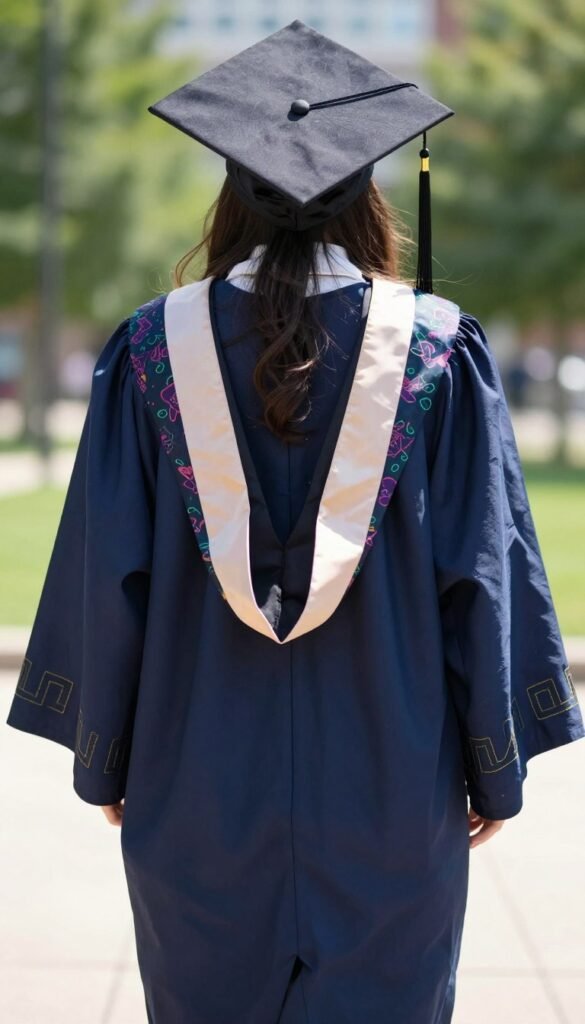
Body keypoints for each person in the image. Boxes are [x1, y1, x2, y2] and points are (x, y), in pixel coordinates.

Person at [6, 19, 585, 1024]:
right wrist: (495, 762)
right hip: (392, 789)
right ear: (367, 193)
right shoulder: (440, 351)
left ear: (231, 191)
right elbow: (483, 573)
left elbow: (110, 573)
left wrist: (105, 750)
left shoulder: (152, 351)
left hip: (196, 791)